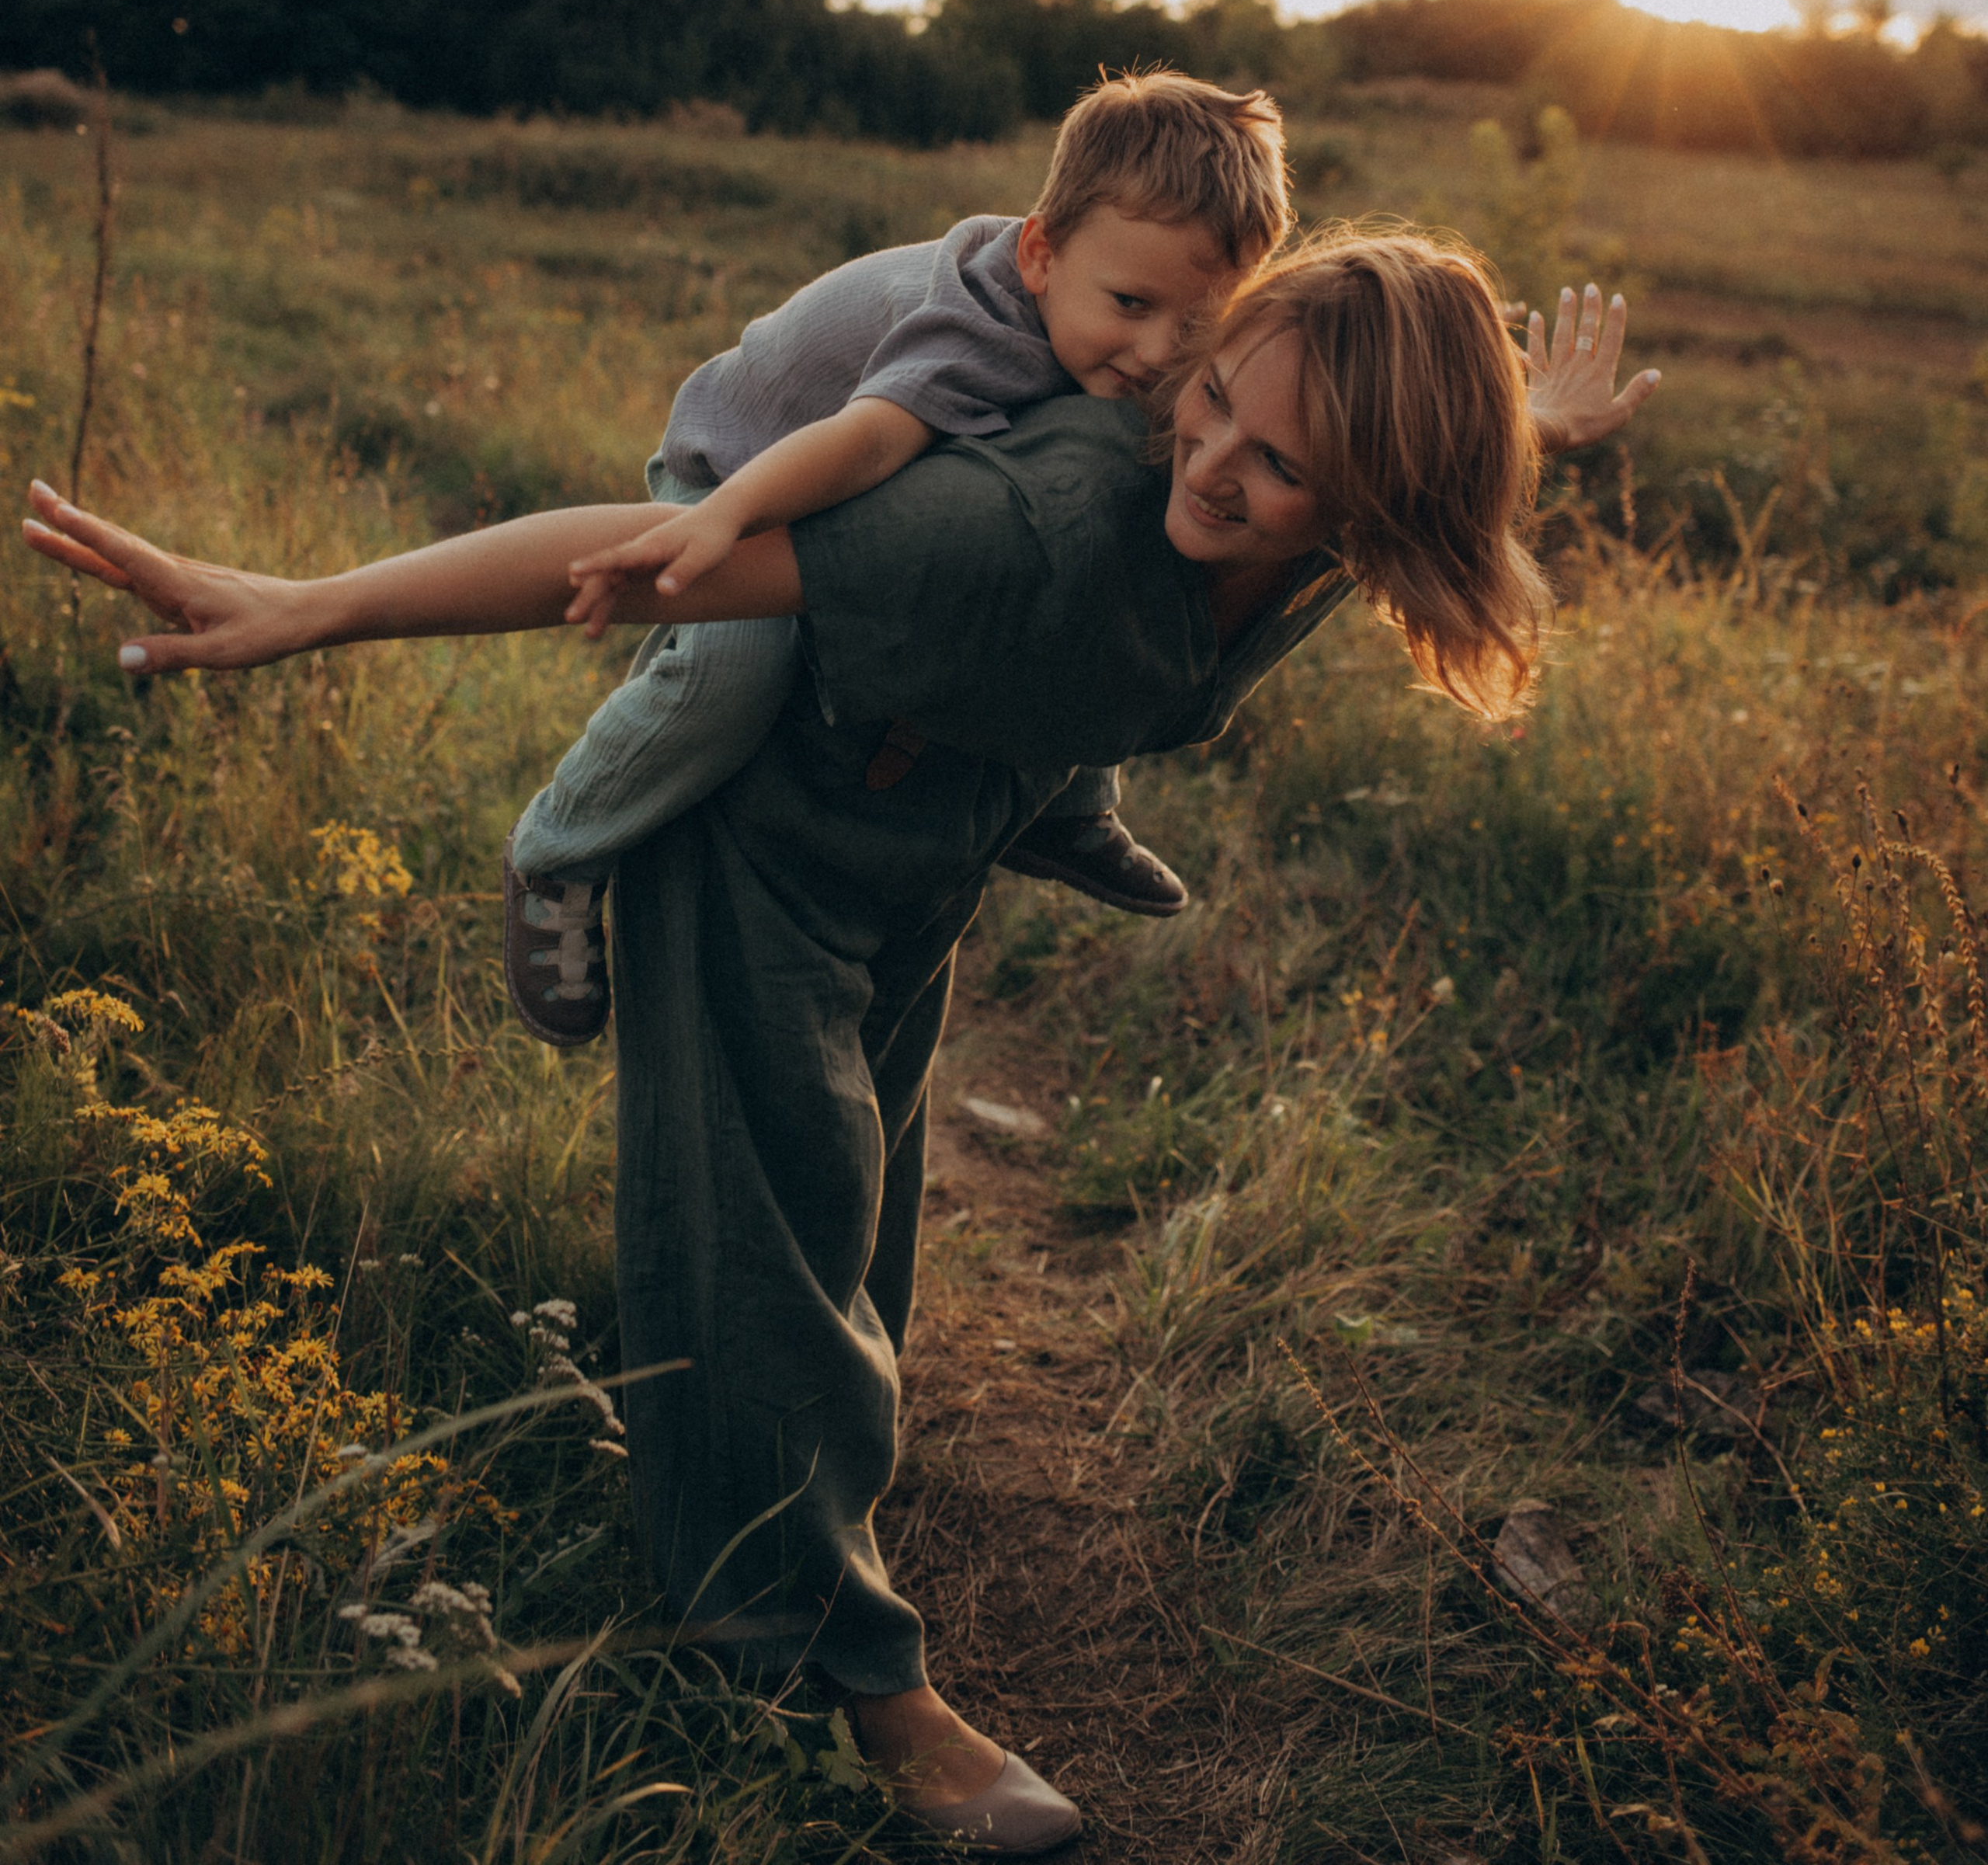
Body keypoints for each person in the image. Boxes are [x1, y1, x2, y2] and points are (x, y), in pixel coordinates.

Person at [22, 239, 1655, 1855]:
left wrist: (1533, 422)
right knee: (769, 1253)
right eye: (1211, 397)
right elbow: (657, 562)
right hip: (763, 838)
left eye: (1279, 461)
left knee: (850, 1227)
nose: (1208, 454)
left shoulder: (1338, 523)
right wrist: (302, 607)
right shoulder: (1030, 522)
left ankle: (782, 1496)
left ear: (1387, 501)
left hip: (924, 847)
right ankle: (827, 1678)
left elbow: (1399, 454)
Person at [502, 70, 1291, 1049]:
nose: (1159, 351)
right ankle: (559, 850)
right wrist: (726, 518)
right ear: (1039, 254)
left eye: (1197, 326)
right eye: (1130, 303)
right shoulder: (976, 329)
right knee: (743, 660)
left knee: (1088, 550)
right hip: (749, 467)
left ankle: (1068, 808)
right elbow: (870, 442)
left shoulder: (1101, 315)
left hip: (878, 473)